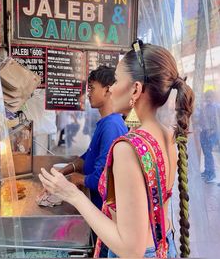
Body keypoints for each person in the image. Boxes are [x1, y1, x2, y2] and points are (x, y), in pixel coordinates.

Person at [39, 40, 194, 258]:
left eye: (117, 80)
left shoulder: (128, 148)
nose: (111, 88)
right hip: (164, 244)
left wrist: (72, 194)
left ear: (136, 89)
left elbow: (131, 249)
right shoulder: (166, 134)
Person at [53, 65, 128, 210]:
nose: (88, 94)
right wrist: (67, 170)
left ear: (107, 90)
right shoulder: (105, 122)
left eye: (92, 88)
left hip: (103, 211)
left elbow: (103, 180)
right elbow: (89, 155)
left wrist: (78, 178)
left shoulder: (111, 125)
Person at [199, 91, 219, 183]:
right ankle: (207, 171)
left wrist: (213, 131)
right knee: (206, 152)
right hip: (204, 132)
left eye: (209, 97)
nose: (208, 99)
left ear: (213, 98)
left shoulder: (216, 107)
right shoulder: (204, 107)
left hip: (212, 133)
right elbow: (201, 119)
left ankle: (211, 173)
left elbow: (216, 121)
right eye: (207, 98)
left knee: (209, 152)